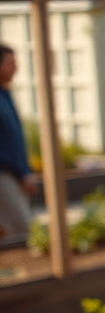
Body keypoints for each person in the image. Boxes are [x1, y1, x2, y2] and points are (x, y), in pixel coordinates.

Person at [0, 44, 35, 243]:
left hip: (14, 174)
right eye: (10, 63)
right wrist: (20, 171)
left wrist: (25, 171)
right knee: (23, 231)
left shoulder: (5, 94)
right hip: (3, 174)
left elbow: (13, 138)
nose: (16, 68)